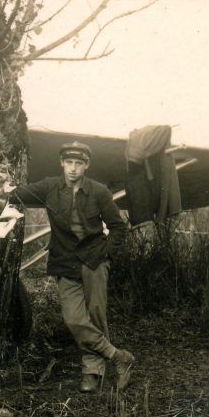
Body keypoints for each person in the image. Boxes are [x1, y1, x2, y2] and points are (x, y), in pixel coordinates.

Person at [13, 142, 134, 392]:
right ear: (62, 163)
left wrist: (105, 255)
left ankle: (92, 371)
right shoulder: (49, 187)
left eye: (79, 163)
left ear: (86, 165)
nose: (73, 168)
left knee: (96, 314)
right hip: (64, 261)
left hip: (94, 260)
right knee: (74, 319)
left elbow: (119, 228)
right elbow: (18, 193)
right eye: (69, 162)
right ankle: (118, 357)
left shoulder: (99, 191)